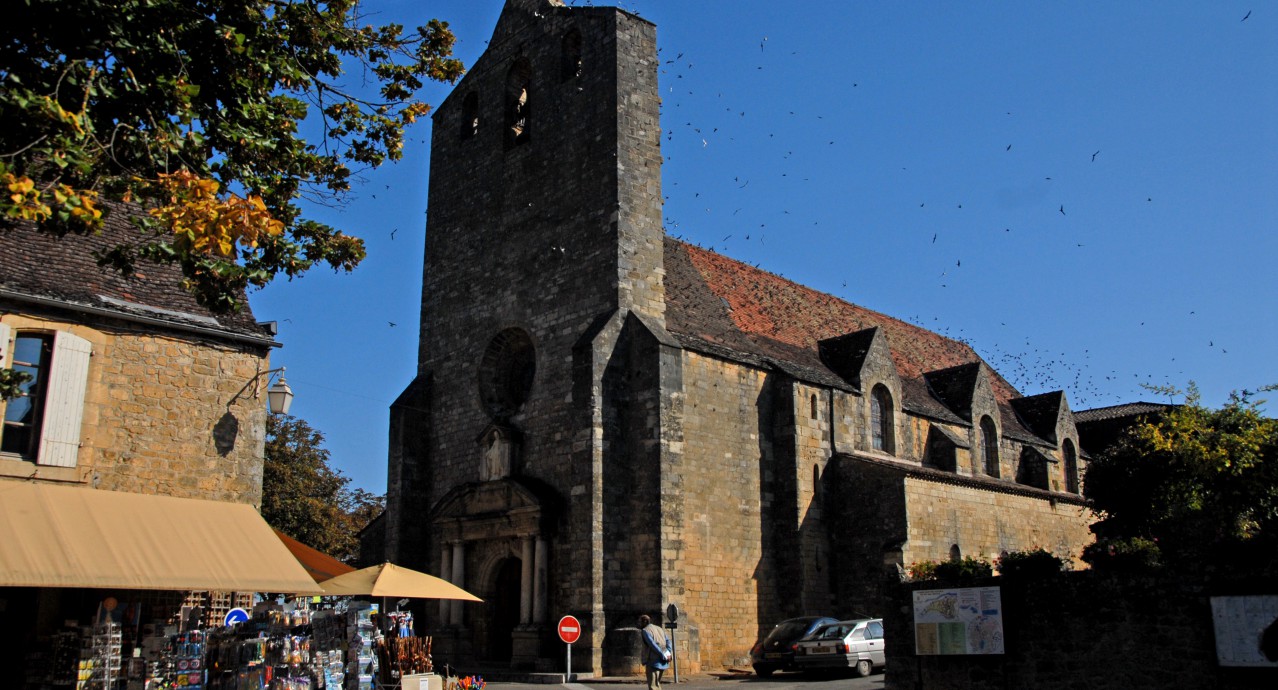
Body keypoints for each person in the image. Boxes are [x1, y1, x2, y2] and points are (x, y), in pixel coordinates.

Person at [639, 614, 671, 690]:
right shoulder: (659, 628)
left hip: (653, 661)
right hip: (663, 660)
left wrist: (662, 654)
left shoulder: (645, 630)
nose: (639, 624)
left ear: (645, 621)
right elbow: (668, 641)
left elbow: (652, 644)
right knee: (657, 684)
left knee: (653, 686)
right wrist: (668, 653)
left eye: (640, 622)